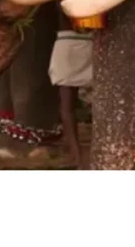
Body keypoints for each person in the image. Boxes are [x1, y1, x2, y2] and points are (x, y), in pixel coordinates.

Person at [48, 16, 93, 168]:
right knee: (67, 103)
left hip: (94, 41)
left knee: (102, 101)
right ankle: (76, 154)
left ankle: (97, 149)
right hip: (67, 42)